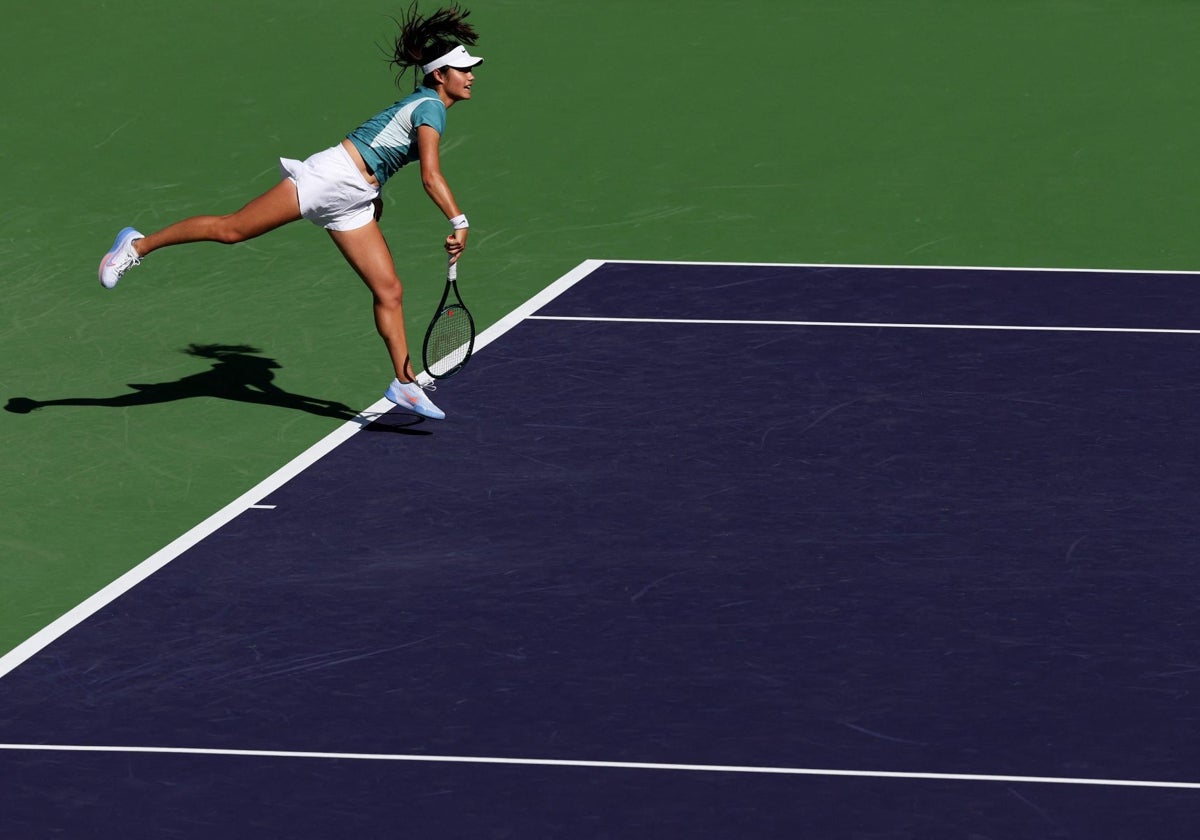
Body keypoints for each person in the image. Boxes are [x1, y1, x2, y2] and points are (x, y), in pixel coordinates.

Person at [97, 4, 485, 421]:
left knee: (389, 290)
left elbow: (385, 152)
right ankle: (137, 245)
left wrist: (373, 191)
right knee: (232, 230)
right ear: (440, 74)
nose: (471, 76)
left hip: (353, 197)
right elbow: (430, 175)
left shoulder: (426, 105)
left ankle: (405, 384)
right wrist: (458, 221)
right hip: (329, 178)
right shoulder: (431, 108)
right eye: (463, 69)